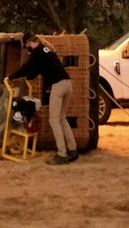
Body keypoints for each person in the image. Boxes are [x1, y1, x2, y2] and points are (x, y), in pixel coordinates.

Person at [7, 32, 79, 164]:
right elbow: (39, 70)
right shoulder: (46, 51)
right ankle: (73, 149)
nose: (27, 49)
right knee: (62, 118)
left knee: (54, 120)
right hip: (68, 84)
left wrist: (10, 77)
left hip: (58, 86)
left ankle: (62, 154)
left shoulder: (37, 53)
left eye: (27, 46)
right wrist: (29, 77)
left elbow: (26, 68)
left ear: (29, 43)